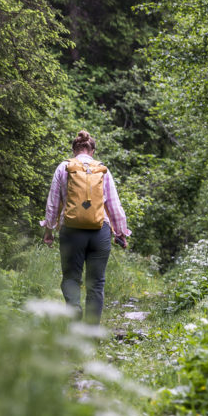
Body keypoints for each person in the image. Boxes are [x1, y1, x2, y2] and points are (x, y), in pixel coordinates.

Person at [40, 130, 131, 324]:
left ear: (74, 149)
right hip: (100, 232)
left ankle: (74, 320)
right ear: (92, 150)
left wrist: (49, 230)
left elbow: (53, 204)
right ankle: (91, 331)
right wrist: (121, 233)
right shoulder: (102, 169)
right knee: (96, 283)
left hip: (71, 232)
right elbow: (114, 205)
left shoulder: (64, 167)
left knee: (71, 279)